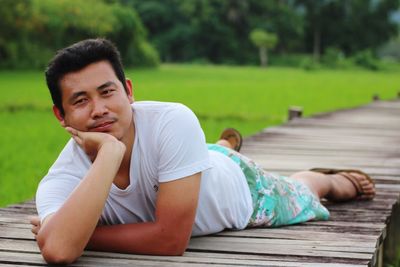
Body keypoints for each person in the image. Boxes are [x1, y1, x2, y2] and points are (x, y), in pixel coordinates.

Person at [30, 38, 375, 264]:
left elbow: (170, 240)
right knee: (203, 155)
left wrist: (79, 232)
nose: (99, 109)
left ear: (129, 91)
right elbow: (59, 251)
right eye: (80, 101)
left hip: (244, 188)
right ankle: (221, 146)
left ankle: (323, 180)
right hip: (192, 164)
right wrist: (109, 154)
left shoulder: (173, 120)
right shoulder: (62, 177)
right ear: (61, 115)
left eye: (107, 92)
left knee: (304, 194)